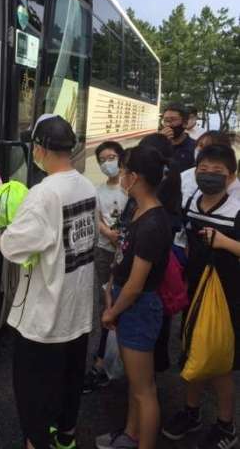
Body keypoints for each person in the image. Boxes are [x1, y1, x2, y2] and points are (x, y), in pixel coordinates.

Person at [0, 114, 97, 449]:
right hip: (77, 310)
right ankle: (66, 437)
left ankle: (37, 442)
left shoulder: (42, 194)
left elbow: (14, 247)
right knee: (70, 381)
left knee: (34, 393)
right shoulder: (86, 186)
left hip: (44, 318)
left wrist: (3, 229)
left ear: (39, 148)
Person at [162, 145, 240, 449]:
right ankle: (191, 412)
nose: (208, 176)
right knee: (192, 352)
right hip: (194, 293)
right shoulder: (192, 201)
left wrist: (224, 242)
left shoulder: (236, 209)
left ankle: (226, 425)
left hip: (228, 299)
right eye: (203, 170)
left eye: (217, 172)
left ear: (231, 176)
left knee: (220, 364)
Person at [95, 146, 173, 449]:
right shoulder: (138, 208)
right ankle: (130, 434)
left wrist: (112, 312)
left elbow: (136, 285)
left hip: (138, 308)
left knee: (144, 390)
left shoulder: (153, 223)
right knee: (135, 382)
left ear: (134, 177)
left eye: (124, 170)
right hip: (128, 304)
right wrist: (111, 292)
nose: (121, 174)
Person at [84, 141, 127, 393]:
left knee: (122, 301)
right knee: (106, 303)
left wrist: (121, 239)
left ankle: (113, 358)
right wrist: (108, 234)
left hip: (125, 253)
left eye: (111, 157)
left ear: (121, 158)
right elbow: (97, 219)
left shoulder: (130, 188)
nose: (107, 163)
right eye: (102, 159)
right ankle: (103, 358)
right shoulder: (97, 191)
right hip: (104, 251)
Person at [139, 133, 182, 374]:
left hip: (151, 265)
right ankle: (157, 360)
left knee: (149, 305)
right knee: (161, 309)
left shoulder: (151, 202)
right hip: (165, 259)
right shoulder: (171, 175)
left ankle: (146, 365)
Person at [180, 131, 240, 205]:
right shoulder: (184, 176)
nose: (202, 151)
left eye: (210, 148)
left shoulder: (233, 185)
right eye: (200, 145)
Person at [160, 103, 196, 172]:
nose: (168, 124)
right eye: (166, 120)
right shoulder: (157, 143)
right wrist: (159, 141)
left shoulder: (194, 147)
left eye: (173, 120)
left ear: (185, 123)